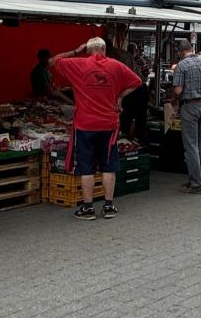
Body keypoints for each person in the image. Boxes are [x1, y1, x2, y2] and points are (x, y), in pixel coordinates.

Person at [48, 38, 142, 220]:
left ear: (88, 50)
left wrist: (76, 51)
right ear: (105, 50)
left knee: (86, 167)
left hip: (86, 125)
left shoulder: (78, 64)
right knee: (108, 166)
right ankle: (108, 206)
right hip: (109, 124)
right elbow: (137, 81)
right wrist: (119, 97)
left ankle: (88, 208)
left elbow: (52, 61)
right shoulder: (116, 66)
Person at [170, 38, 201, 194]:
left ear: (180, 52)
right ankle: (199, 177)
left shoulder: (182, 65)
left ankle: (196, 184)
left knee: (191, 146)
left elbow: (178, 90)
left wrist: (173, 99)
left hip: (190, 106)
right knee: (200, 143)